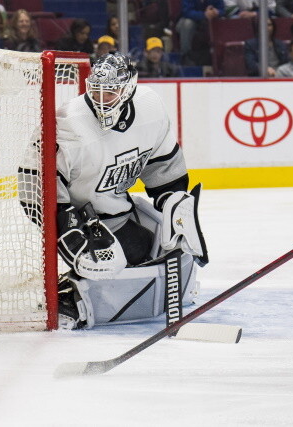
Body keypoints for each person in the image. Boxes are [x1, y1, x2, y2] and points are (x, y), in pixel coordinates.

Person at [52, 52, 207, 329]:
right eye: (96, 91)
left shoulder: (150, 107)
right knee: (107, 271)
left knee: (148, 253)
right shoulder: (68, 123)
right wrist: (66, 228)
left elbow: (162, 166)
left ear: (128, 88)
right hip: (78, 220)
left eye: (109, 92)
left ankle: (84, 290)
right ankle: (69, 296)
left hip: (117, 214)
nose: (100, 100)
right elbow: (36, 186)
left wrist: (174, 203)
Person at [175, 0, 224, 66]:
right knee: (187, 24)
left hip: (209, 21)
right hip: (187, 19)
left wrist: (216, 12)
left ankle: (219, 56)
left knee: (223, 21)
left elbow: (222, 9)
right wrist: (204, 14)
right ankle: (186, 55)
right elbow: (186, 12)